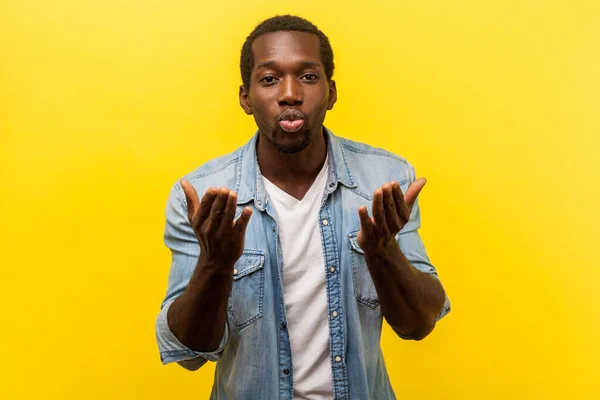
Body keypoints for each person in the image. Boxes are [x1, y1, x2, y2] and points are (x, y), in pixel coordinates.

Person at [155, 14, 451, 400]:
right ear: (246, 97)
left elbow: (419, 324)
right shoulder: (202, 196)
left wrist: (383, 252)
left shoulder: (386, 179)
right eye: (269, 78)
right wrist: (216, 263)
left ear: (331, 92)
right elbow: (190, 353)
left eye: (308, 77)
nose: (290, 93)